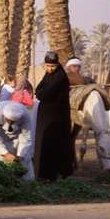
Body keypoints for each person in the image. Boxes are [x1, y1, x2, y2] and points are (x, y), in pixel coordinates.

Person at [65, 57, 110, 171]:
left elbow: (92, 84)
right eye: (74, 66)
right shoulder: (64, 78)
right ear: (69, 67)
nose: (76, 68)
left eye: (78, 66)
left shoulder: (86, 79)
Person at [33, 51, 75, 181]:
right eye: (47, 66)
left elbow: (43, 94)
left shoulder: (60, 77)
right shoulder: (48, 75)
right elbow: (38, 90)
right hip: (46, 115)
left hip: (57, 118)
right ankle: (43, 173)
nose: (50, 69)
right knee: (43, 142)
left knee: (53, 144)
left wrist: (41, 93)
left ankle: (52, 174)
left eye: (53, 66)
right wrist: (41, 93)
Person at [0, 101, 35, 181]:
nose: (10, 122)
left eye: (13, 121)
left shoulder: (25, 115)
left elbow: (26, 137)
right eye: (8, 120)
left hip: (15, 135)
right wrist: (5, 153)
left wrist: (21, 156)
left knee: (24, 159)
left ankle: (26, 183)